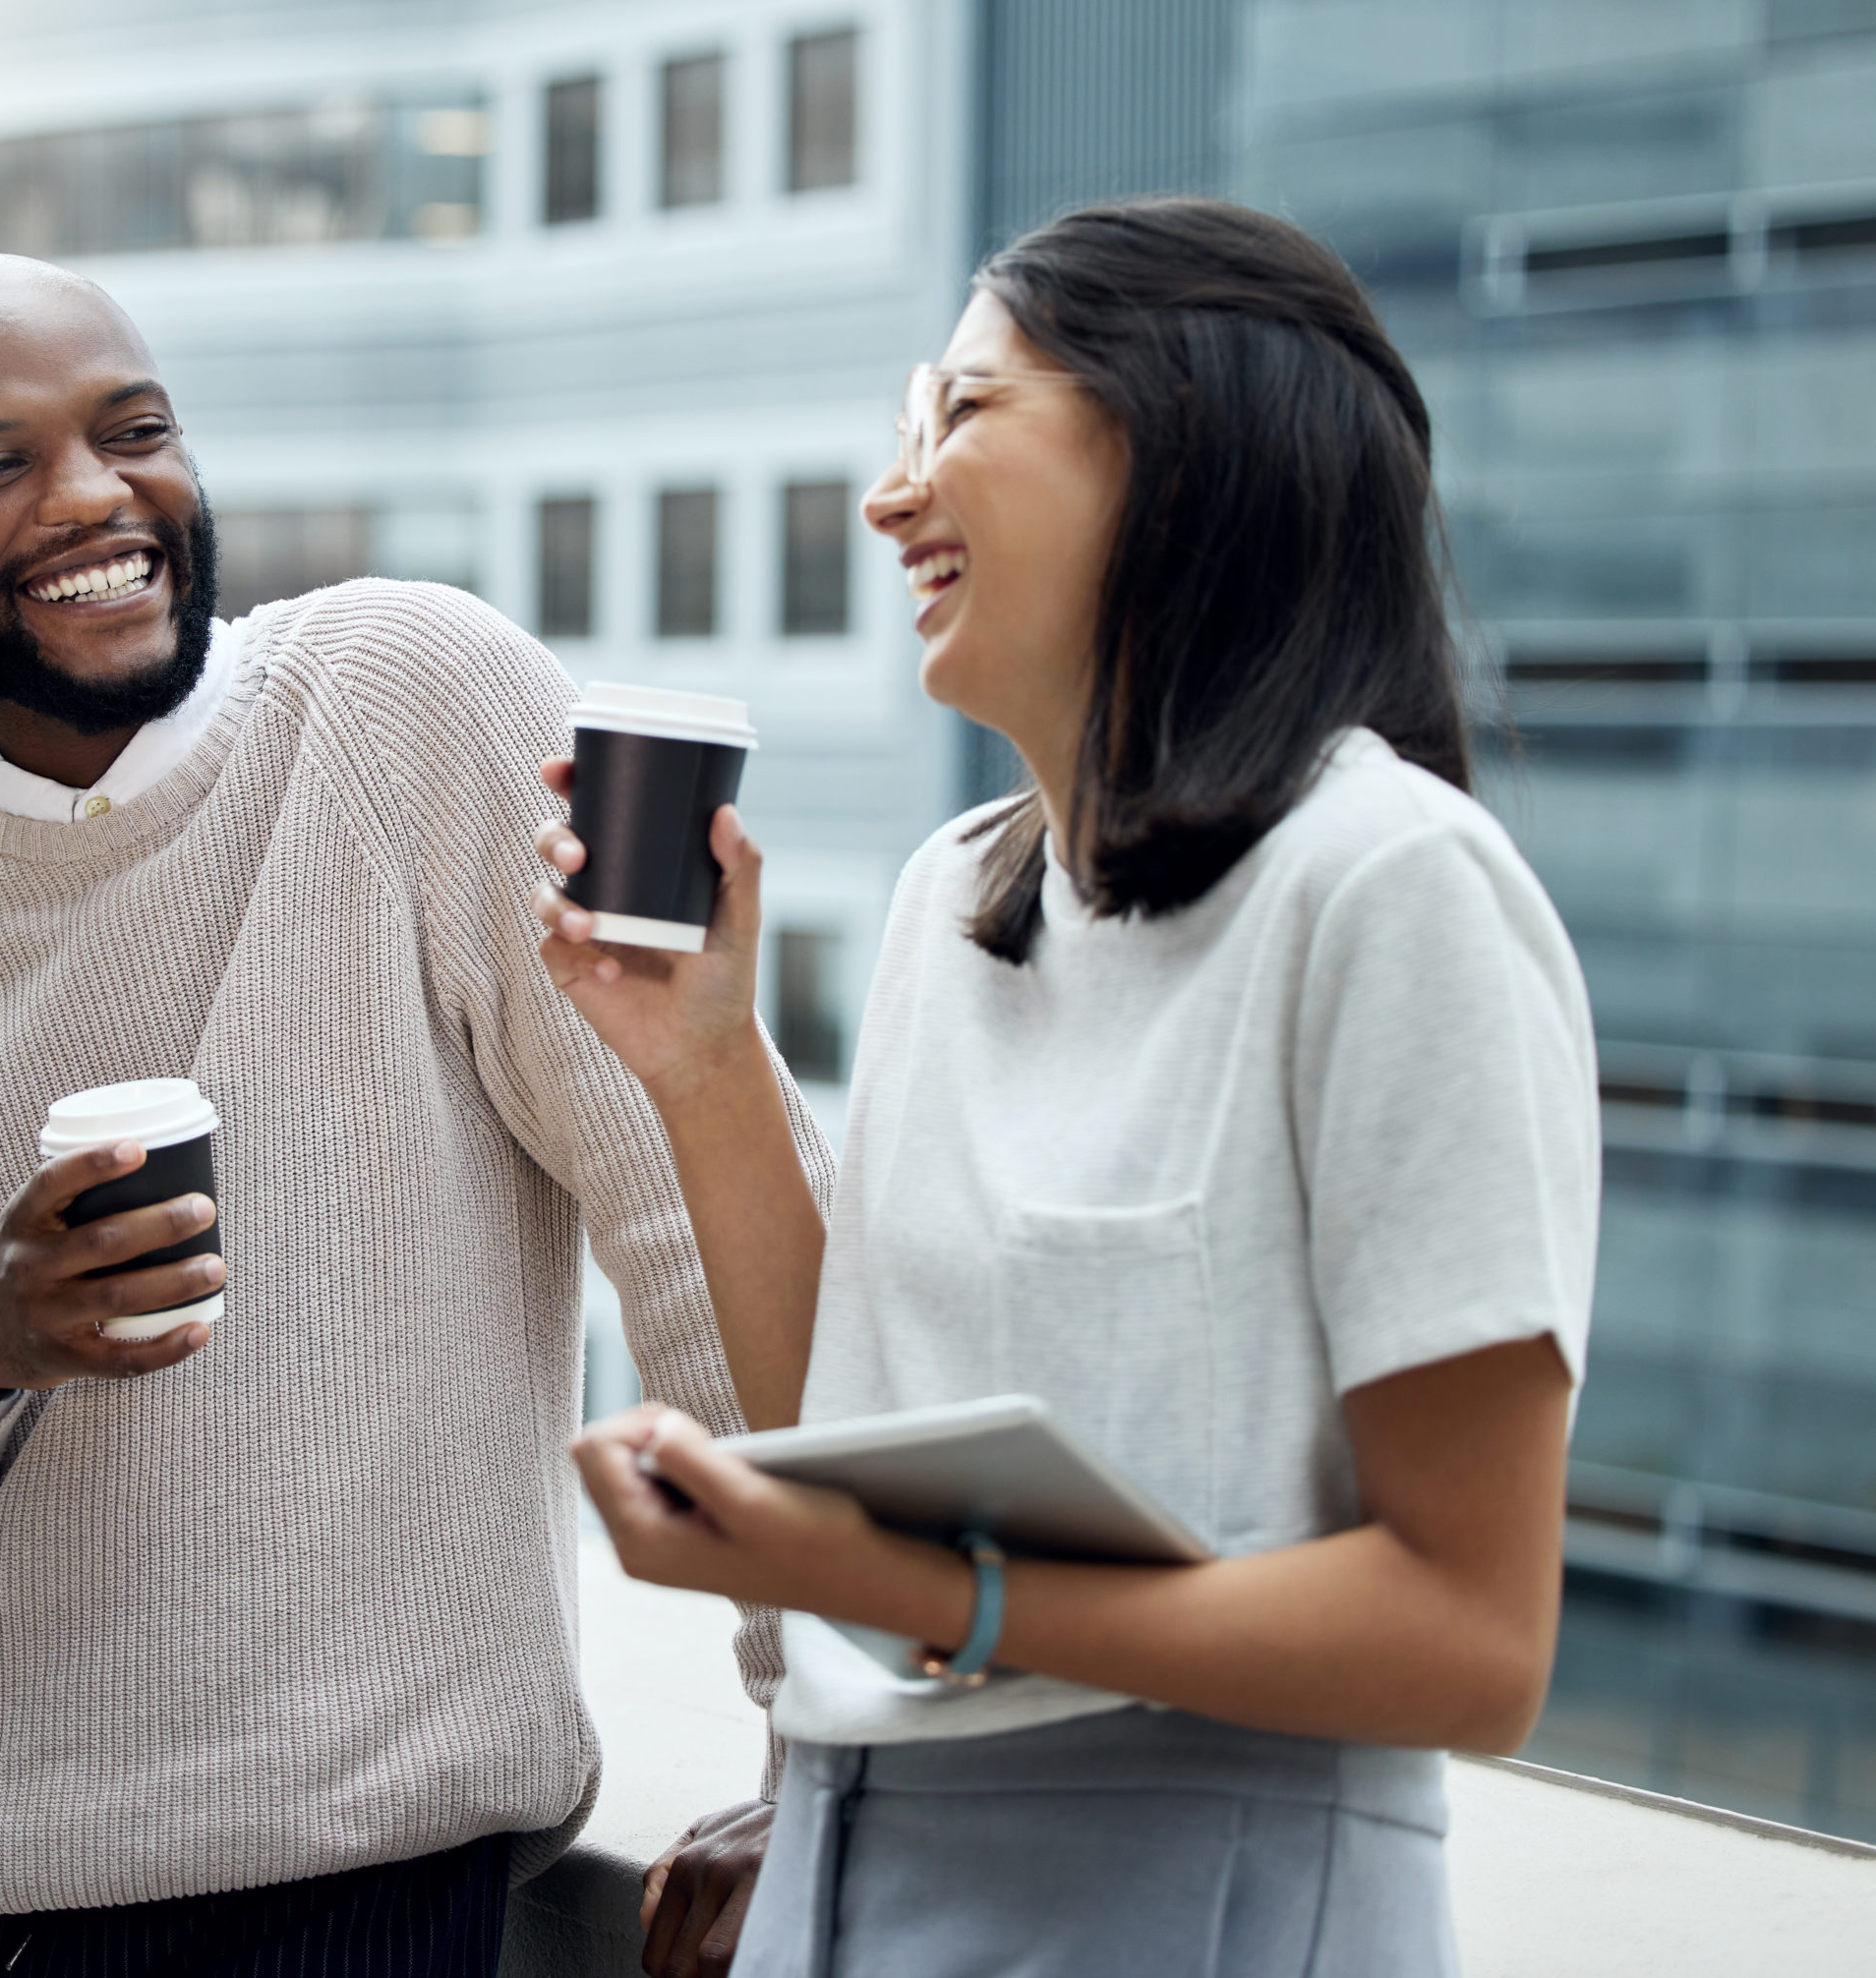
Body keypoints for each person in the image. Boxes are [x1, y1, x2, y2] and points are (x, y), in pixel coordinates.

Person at [0, 254, 827, 1977]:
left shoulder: (414, 699)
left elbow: (696, 1220)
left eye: (132, 430)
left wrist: (815, 1747)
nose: (94, 496)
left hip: (352, 1889)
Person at [539, 199, 1600, 1976]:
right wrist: (708, 1066)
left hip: (1201, 1897)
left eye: (961, 414)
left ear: (1182, 442)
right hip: (851, 1877)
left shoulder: (1390, 888)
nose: (892, 498)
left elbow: (1473, 1639)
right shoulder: (954, 896)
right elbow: (861, 1431)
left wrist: (921, 1594)